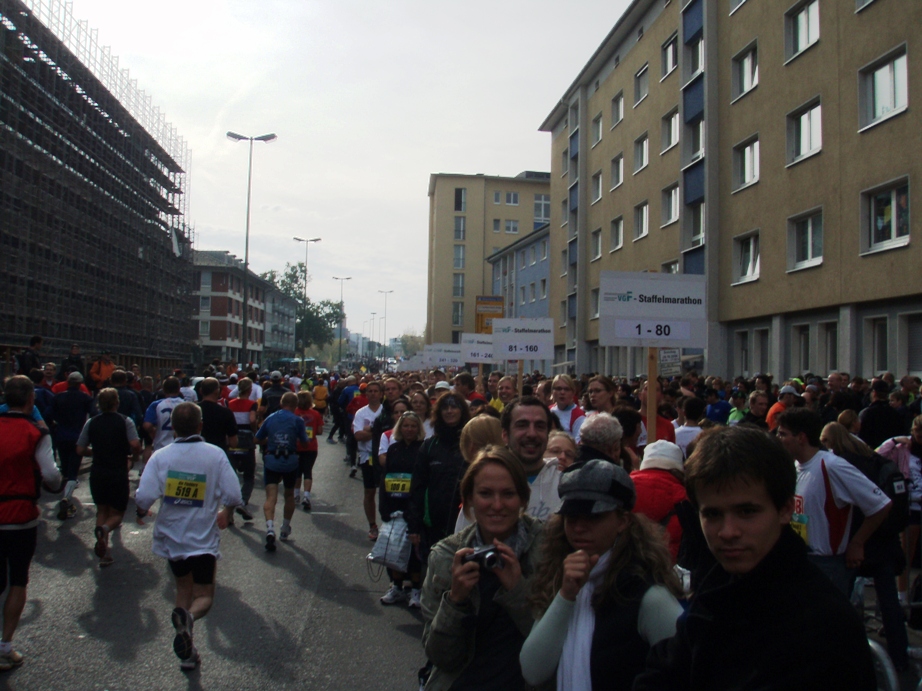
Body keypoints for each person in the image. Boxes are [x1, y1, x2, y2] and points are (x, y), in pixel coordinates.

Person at [634, 425, 876, 690]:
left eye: (747, 512)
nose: (728, 532)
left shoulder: (822, 626)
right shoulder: (721, 584)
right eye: (712, 514)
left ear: (785, 510)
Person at [520, 459, 683, 691]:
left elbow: (685, 667)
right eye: (572, 518)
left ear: (623, 521)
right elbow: (533, 670)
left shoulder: (646, 593)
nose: (579, 528)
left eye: (593, 518)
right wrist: (566, 596)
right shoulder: (559, 575)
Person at [421, 446, 544, 691]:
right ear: (469, 500)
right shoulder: (446, 556)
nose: (497, 505)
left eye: (508, 494)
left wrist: (517, 589)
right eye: (486, 494)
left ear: (522, 498)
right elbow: (441, 656)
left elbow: (554, 649)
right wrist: (455, 601)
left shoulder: (547, 546)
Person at [134, 402, 242, 671]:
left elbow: (144, 495)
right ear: (200, 426)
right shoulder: (214, 455)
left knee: (183, 588)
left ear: (172, 429)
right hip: (202, 537)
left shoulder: (161, 456)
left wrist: (142, 509)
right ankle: (190, 619)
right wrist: (226, 511)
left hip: (172, 537)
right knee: (204, 595)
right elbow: (234, 494)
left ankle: (187, 652)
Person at [820, 422, 909, 671]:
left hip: (856, 541)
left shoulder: (841, 466)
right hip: (884, 542)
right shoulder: (874, 459)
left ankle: (847, 660)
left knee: (840, 605)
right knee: (889, 603)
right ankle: (899, 658)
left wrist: (856, 541)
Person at [776, 407, 891, 596]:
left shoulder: (831, 465)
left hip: (827, 565)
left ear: (801, 437)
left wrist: (857, 542)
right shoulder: (794, 466)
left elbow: (880, 504)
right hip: (799, 558)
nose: (778, 440)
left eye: (783, 434)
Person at [0, 376, 63, 671]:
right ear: (30, 401)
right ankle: (5, 646)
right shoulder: (36, 433)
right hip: (19, 515)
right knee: (18, 580)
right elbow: (51, 475)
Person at [76, 388, 141, 566]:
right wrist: (134, 457)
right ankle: (105, 530)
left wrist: (95, 452)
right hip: (117, 471)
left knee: (102, 510)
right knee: (117, 513)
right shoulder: (125, 421)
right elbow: (135, 444)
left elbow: (80, 449)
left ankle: (104, 550)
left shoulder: (91, 422)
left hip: (98, 471)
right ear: (116, 402)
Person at [408, 392, 471, 561]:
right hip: (434, 524)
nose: (449, 411)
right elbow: (417, 487)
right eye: (445, 408)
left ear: (462, 411)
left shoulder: (471, 444)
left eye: (454, 407)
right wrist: (414, 526)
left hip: (466, 522)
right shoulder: (429, 446)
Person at [377, 411, 426, 607]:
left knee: (414, 554)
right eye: (405, 426)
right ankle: (396, 587)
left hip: (413, 507)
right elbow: (385, 478)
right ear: (400, 428)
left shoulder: (422, 449)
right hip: (393, 506)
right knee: (393, 550)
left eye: (413, 426)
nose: (409, 429)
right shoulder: (394, 449)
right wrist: (384, 507)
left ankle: (415, 590)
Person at [876, 414, 922, 606]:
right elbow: (877, 456)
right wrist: (894, 441)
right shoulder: (902, 448)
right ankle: (902, 597)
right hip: (910, 506)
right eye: (917, 431)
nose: (919, 435)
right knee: (906, 553)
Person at [254, 392, 308, 551]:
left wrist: (269, 440)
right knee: (289, 494)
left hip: (272, 460)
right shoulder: (298, 420)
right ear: (295, 405)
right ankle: (285, 528)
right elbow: (305, 442)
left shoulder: (270, 418)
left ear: (281, 402)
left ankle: (270, 528)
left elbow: (257, 438)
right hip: (290, 461)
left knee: (271, 496)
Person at [502, 397, 560, 522]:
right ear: (505, 435)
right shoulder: (486, 484)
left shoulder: (564, 485)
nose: (532, 434)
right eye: (522, 425)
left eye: (540, 426)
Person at [50, 371, 93, 519]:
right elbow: (93, 414)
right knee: (74, 470)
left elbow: (48, 414)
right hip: (77, 436)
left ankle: (65, 492)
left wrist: (57, 423)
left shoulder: (58, 397)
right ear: (80, 384)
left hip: (61, 435)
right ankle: (66, 498)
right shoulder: (85, 398)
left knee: (66, 467)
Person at [353, 380, 385, 540]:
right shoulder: (361, 413)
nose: (373, 393)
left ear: (381, 394)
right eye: (370, 391)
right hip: (367, 457)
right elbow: (358, 435)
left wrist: (371, 431)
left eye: (375, 391)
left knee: (387, 492)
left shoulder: (386, 411)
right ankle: (372, 525)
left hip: (385, 456)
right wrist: (379, 431)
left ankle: (388, 524)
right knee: (369, 492)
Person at [226, 377, 258, 521]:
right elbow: (252, 419)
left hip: (233, 438)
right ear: (250, 390)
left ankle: (229, 512)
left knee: (232, 475)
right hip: (246, 439)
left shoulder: (230, 404)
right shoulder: (252, 404)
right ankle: (243, 501)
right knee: (249, 476)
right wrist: (254, 431)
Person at [293, 391, 324, 511]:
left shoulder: (294, 413)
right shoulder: (315, 414)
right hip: (310, 446)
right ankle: (306, 496)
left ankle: (296, 495)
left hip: (296, 446)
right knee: (307, 471)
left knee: (297, 471)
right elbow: (320, 431)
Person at [143, 376, 186, 455]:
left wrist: (153, 433)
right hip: (182, 447)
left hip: (161, 446)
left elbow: (147, 425)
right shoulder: (186, 405)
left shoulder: (156, 405)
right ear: (179, 389)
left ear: (164, 390)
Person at [859, 379, 907, 451]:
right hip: (892, 452)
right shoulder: (895, 413)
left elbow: (862, 436)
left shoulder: (867, 413)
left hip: (872, 452)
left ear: (874, 393)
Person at [550, 375, 586, 440]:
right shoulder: (548, 410)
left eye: (566, 389)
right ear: (552, 391)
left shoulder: (579, 415)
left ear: (573, 392)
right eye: (558, 389)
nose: (562, 392)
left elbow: (577, 444)